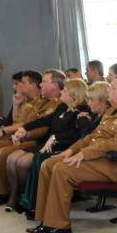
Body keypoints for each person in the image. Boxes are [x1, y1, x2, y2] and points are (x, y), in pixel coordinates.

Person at [28, 74, 117, 233]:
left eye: (112, 88)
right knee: (48, 164)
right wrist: (71, 150)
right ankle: (45, 219)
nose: (109, 92)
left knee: (62, 169)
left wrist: (84, 154)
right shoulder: (112, 111)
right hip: (97, 159)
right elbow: (91, 136)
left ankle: (59, 226)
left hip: (114, 164)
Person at [0, 70, 60, 203]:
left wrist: (14, 132)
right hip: (22, 135)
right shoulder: (39, 101)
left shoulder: (53, 103)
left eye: (44, 82)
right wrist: (15, 106)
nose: (41, 85)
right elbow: (18, 121)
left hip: (34, 139)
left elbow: (37, 127)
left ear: (55, 85)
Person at [19, 81, 110, 216]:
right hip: (75, 149)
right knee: (43, 160)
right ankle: (35, 205)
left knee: (50, 163)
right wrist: (24, 129)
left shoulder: (86, 111)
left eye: (91, 99)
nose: (88, 102)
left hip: (84, 153)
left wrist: (83, 125)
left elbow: (83, 137)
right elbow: (45, 121)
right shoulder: (66, 107)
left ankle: (42, 209)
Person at [5, 78, 90, 210]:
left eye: (65, 90)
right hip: (48, 144)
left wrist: (55, 137)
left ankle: (29, 198)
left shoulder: (82, 110)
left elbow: (75, 136)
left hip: (64, 147)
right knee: (11, 159)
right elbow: (44, 120)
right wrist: (24, 128)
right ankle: (16, 195)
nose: (61, 91)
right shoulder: (62, 107)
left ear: (73, 95)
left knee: (22, 163)